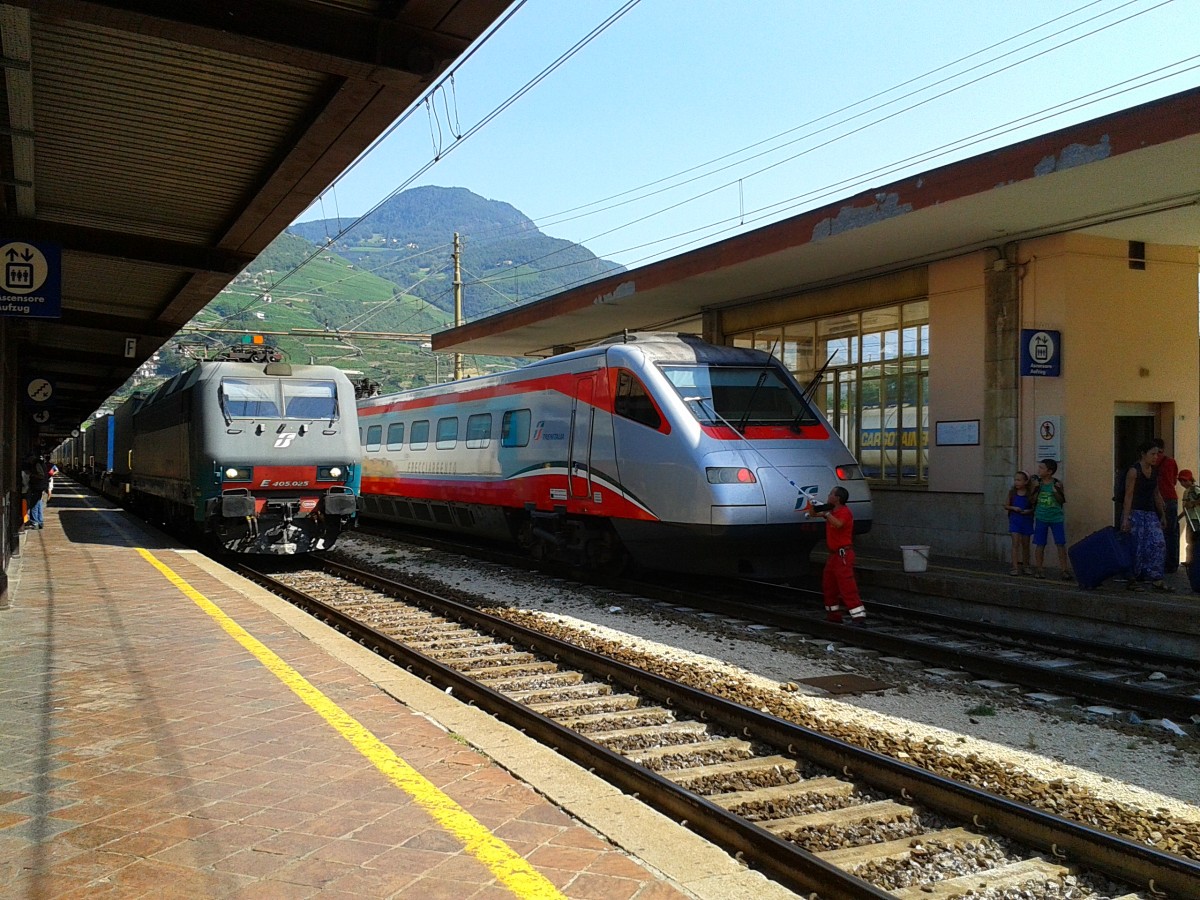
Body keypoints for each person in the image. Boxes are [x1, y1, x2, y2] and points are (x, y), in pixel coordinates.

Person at [1120, 441, 1173, 593]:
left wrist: (1162, 514)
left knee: (1158, 543)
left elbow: (1156, 493)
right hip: (1135, 512)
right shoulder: (1134, 471)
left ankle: (1156, 578)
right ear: (1143, 454)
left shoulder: (1155, 471)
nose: (1156, 457)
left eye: (1157, 454)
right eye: (1152, 454)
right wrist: (1126, 518)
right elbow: (1128, 495)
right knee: (1136, 546)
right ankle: (1132, 579)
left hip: (1150, 513)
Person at [813, 486, 868, 624]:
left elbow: (838, 524)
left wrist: (826, 514)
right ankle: (833, 615)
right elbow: (813, 514)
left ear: (837, 498)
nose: (828, 495)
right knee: (829, 585)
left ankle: (858, 617)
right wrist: (812, 504)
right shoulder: (831, 511)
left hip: (843, 555)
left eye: (831, 493)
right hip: (834, 555)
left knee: (847, 586)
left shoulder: (844, 512)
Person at [1030, 458, 1072, 581]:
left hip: (1056, 518)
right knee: (1040, 543)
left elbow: (1061, 501)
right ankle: (1039, 569)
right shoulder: (1037, 483)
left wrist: (1055, 492)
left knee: (1060, 543)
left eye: (1042, 468)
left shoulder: (1057, 483)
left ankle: (1064, 570)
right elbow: (1032, 500)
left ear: (1049, 471)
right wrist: (1036, 489)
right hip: (1041, 517)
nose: (1039, 470)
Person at [1153, 438, 1180, 574]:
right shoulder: (1170, 461)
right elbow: (1174, 480)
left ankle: (1158, 561)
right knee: (1172, 533)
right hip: (1171, 497)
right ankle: (1172, 563)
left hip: (1157, 499)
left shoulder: (1151, 461)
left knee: (1156, 532)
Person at [1002, 470, 1035, 576]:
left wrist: (1028, 511)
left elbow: (1034, 508)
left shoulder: (1030, 494)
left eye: (1019, 480)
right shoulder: (1012, 493)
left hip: (1026, 521)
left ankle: (1026, 566)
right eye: (1015, 480)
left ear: (1025, 482)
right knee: (1015, 544)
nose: (1016, 482)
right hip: (1015, 520)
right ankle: (1015, 567)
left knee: (1025, 545)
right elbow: (1006, 505)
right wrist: (1013, 508)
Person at [1179, 469, 1200, 568]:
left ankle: (1192, 559)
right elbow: (1186, 508)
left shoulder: (1194, 489)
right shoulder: (1187, 491)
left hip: (1195, 519)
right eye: (1181, 481)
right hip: (1190, 519)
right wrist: (1179, 517)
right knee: (1190, 540)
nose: (1183, 483)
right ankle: (1190, 559)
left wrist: (1193, 503)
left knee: (1194, 540)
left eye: (1185, 480)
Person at [25, 455, 48, 530]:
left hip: (37, 486)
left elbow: (41, 475)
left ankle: (34, 522)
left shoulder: (37, 464)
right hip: (40, 486)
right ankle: (40, 522)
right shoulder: (41, 463)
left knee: (34, 505)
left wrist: (31, 475)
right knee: (38, 504)